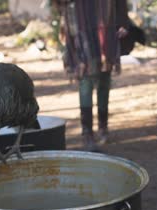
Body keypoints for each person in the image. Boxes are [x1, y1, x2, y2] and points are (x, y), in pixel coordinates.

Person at [54, 0, 131, 152]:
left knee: (104, 79)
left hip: (105, 27)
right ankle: (87, 132)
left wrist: (123, 21)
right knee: (86, 80)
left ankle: (103, 127)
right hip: (80, 28)